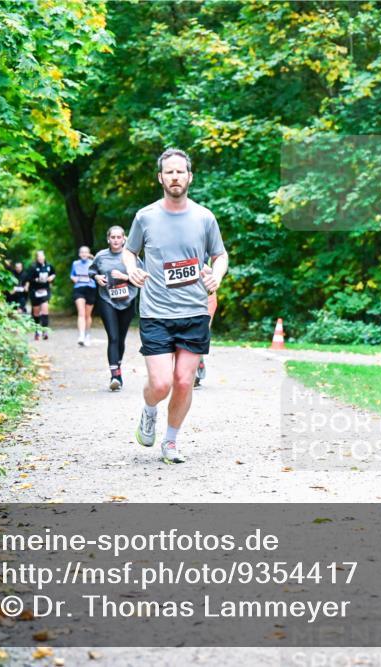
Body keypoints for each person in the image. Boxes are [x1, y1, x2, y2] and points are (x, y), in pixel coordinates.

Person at [123, 148, 228, 464]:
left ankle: (170, 442)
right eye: (169, 172)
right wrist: (132, 268)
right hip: (156, 312)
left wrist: (216, 277)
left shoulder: (204, 217)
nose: (175, 176)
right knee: (161, 383)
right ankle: (149, 410)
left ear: (190, 176)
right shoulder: (145, 216)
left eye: (180, 171)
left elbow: (219, 255)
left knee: (184, 381)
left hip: (194, 311)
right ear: (160, 177)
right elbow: (130, 251)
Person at [90, 226, 138, 391]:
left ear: (124, 239)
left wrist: (126, 277)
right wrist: (96, 277)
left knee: (121, 338)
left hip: (128, 300)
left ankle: (118, 366)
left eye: (119, 237)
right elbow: (92, 271)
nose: (116, 240)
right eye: (113, 237)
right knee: (113, 337)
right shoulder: (101, 256)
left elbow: (142, 277)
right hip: (107, 299)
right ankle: (115, 376)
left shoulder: (131, 256)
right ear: (108, 239)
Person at [193, 255, 219, 387]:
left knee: (200, 333)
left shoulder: (210, 241)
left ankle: (197, 366)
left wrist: (213, 272)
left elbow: (223, 266)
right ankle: (193, 367)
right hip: (184, 295)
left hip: (207, 296)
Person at [70, 245, 97, 347]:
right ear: (79, 254)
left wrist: (93, 257)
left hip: (91, 288)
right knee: (81, 313)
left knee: (87, 315)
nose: (84, 254)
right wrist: (74, 278)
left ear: (88, 254)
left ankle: (87, 335)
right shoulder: (75, 263)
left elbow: (100, 267)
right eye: (82, 252)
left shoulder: (93, 263)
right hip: (79, 289)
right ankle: (81, 336)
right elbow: (72, 274)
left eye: (86, 252)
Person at [29, 250, 56, 340]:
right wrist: (37, 279)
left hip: (45, 290)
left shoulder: (49, 266)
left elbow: (53, 273)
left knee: (45, 310)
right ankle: (37, 330)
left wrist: (51, 277)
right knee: (36, 312)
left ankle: (45, 331)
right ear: (36, 258)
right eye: (38, 257)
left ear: (44, 257)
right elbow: (29, 278)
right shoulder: (33, 267)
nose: (40, 258)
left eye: (42, 256)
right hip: (35, 291)